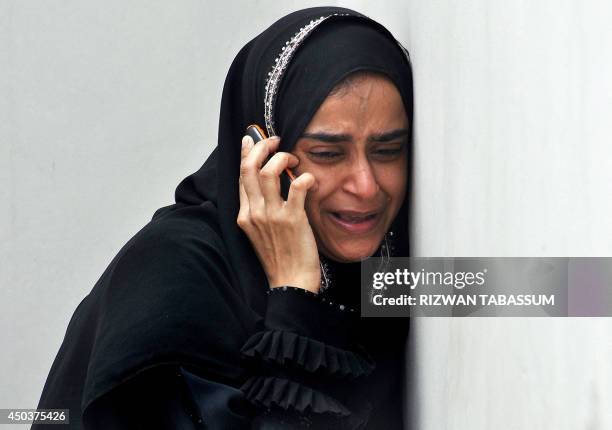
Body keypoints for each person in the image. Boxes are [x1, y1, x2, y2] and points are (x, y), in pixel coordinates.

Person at [34, 6, 413, 429]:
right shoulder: (172, 279)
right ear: (264, 155)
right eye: (327, 153)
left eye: (388, 150)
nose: (365, 185)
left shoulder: (382, 271)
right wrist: (294, 294)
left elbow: (495, 296)